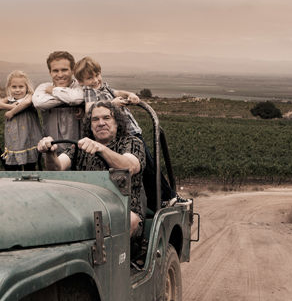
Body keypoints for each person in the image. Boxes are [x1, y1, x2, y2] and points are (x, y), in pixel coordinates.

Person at [73, 56, 183, 207]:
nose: (96, 80)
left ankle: (164, 197)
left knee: (149, 167)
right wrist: (112, 105)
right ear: (81, 82)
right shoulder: (89, 91)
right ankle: (164, 198)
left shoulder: (103, 88)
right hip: (127, 135)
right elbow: (90, 109)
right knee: (149, 169)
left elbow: (118, 92)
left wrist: (129, 95)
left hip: (133, 131)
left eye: (97, 74)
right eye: (90, 77)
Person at [37, 101, 146, 241]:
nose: (100, 123)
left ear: (117, 122)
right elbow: (57, 168)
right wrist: (50, 153)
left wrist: (101, 148)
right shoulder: (80, 146)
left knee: (126, 220)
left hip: (125, 209)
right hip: (84, 206)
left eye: (106, 118)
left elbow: (129, 166)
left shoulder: (132, 142)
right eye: (95, 119)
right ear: (90, 124)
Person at [0, 70, 42, 170]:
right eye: (14, 87)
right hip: (14, 140)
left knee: (30, 166)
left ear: (27, 87)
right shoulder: (10, 99)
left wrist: (12, 112)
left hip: (28, 138)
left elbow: (26, 103)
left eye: (21, 87)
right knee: (13, 166)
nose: (17, 90)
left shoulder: (29, 96)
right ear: (9, 87)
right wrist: (9, 106)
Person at [32, 51, 84, 149]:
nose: (60, 75)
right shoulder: (43, 87)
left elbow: (76, 98)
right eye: (55, 71)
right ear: (50, 72)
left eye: (64, 70)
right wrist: (70, 100)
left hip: (78, 149)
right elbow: (39, 103)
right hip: (51, 149)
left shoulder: (80, 86)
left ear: (73, 70)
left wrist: (54, 91)